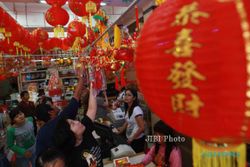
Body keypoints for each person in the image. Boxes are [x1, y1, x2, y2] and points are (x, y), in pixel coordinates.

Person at [35, 71, 86, 157]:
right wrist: (82, 77)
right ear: (51, 112)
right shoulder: (63, 118)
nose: (55, 106)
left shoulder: (41, 134)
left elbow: (39, 156)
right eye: (52, 106)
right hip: (76, 157)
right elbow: (76, 96)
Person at [53, 84, 103, 167]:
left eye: (73, 120)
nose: (76, 122)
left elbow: (91, 109)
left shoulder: (84, 130)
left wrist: (92, 82)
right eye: (72, 124)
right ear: (70, 135)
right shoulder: (75, 159)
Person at [116, 87, 145, 153]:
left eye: (129, 95)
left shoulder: (136, 110)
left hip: (137, 139)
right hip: (130, 137)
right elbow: (128, 120)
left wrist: (132, 138)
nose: (126, 97)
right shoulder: (128, 107)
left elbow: (142, 128)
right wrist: (122, 128)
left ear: (134, 98)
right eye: (125, 94)